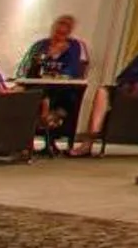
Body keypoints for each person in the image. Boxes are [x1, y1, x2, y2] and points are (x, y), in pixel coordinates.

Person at [76, 29, 138, 152]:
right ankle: (91, 135)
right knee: (102, 91)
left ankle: (90, 138)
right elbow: (121, 77)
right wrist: (130, 83)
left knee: (110, 94)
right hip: (123, 92)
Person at [20, 14, 90, 154]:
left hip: (63, 88)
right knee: (30, 93)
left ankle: (47, 124)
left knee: (62, 97)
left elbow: (74, 70)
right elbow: (29, 68)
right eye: (57, 32)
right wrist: (49, 55)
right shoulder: (41, 45)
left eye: (63, 33)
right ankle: (26, 138)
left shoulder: (74, 47)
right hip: (39, 85)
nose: (59, 36)